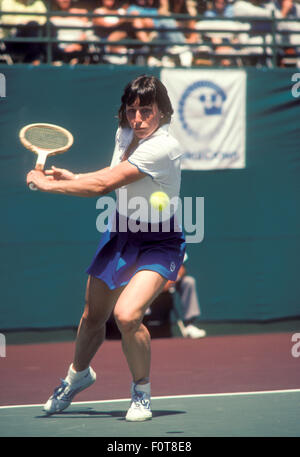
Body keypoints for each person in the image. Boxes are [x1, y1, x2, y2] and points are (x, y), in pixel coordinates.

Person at [26, 75, 186, 422]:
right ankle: (77, 376)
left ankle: (141, 392)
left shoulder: (163, 146)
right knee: (92, 315)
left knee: (127, 315)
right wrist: (73, 178)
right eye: (132, 111)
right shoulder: (125, 132)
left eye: (146, 110)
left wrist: (47, 186)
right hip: (120, 232)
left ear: (162, 111)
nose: (138, 119)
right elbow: (111, 173)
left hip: (160, 241)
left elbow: (104, 185)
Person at [147, 252, 206, 338]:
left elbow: (181, 268)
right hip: (149, 281)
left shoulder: (174, 243)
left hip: (169, 280)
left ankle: (189, 324)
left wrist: (170, 281)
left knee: (189, 282)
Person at [50, 0, 90, 64]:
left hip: (77, 49)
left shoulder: (81, 13)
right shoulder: (51, 15)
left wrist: (76, 44)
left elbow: (86, 32)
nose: (64, 1)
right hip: (58, 51)